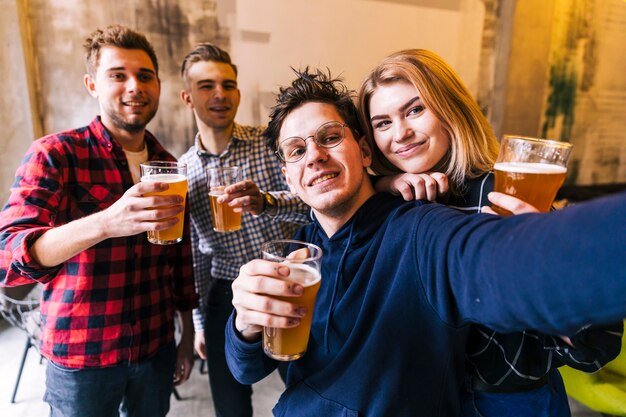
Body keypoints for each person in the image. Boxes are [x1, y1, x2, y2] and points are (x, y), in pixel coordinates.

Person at [222, 68, 626, 417]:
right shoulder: (301, 249)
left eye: (329, 137)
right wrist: (244, 324)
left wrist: (546, 249)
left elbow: (493, 262)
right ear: (288, 176)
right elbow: (245, 370)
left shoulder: (423, 229)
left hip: (516, 393)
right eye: (296, 150)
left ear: (363, 151)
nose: (313, 156)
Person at [357, 49, 623, 417]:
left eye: (415, 110)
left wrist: (539, 266)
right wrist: (385, 181)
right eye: (382, 123)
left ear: (450, 110)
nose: (400, 133)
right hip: (424, 399)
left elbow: (595, 347)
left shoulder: (505, 192)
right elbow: (316, 197)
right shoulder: (389, 199)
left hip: (511, 402)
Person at [0, 25, 197, 417]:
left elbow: (179, 261)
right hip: (81, 353)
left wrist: (186, 335)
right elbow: (9, 254)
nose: (133, 87)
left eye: (144, 76)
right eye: (117, 75)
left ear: (158, 84)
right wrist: (106, 222)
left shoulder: (169, 166)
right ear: (92, 85)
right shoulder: (55, 154)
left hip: (155, 346)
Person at [178, 43, 308, 417]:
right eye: (206, 86)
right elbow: (196, 254)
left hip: (287, 282)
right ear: (188, 97)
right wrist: (201, 324)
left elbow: (315, 205)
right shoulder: (184, 171)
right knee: (230, 405)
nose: (219, 94)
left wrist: (266, 201)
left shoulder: (271, 143)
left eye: (228, 84)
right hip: (225, 293)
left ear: (238, 92)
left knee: (310, 388)